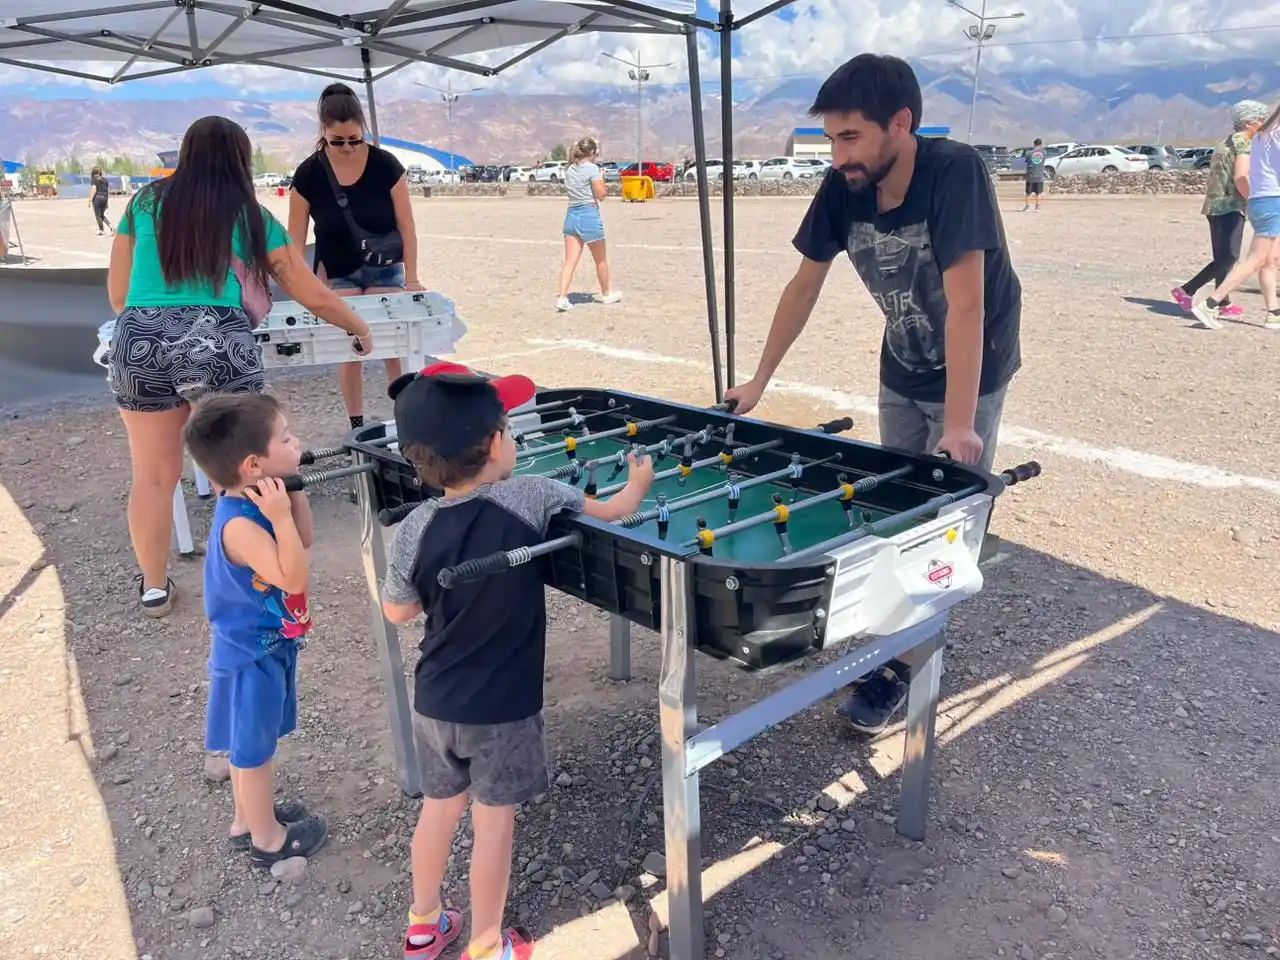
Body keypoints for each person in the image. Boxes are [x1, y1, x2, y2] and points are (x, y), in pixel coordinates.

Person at [722, 53, 1021, 734]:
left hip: (973, 365)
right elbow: (804, 286)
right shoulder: (843, 186)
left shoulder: (955, 173)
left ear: (901, 124)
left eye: (850, 137)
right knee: (896, 511)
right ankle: (901, 643)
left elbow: (968, 304)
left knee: (943, 521)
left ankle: (904, 667)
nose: (838, 155)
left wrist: (961, 421)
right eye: (830, 139)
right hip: (903, 360)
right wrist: (758, 380)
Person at [380, 361, 654, 960]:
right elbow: (613, 512)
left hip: (435, 699)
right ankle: (486, 943)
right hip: (501, 711)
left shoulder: (415, 525)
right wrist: (639, 481)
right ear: (499, 443)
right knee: (493, 827)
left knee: (439, 811)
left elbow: (397, 612)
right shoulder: (529, 495)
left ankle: (423, 925)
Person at [106, 115, 374, 618]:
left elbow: (119, 294)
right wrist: (356, 327)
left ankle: (155, 587)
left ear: (185, 155)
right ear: (241, 161)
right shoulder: (250, 215)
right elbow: (308, 289)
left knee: (153, 476)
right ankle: (263, 566)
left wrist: (157, 318)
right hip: (221, 339)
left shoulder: (143, 203)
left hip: (141, 339)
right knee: (248, 467)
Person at [183, 393, 329, 865]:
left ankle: (248, 819)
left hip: (265, 645)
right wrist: (281, 516)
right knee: (253, 750)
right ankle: (267, 838)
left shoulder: (260, 502)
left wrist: (294, 493)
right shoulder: (242, 526)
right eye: (285, 438)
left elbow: (301, 541)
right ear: (252, 465)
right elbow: (292, 576)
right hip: (251, 655)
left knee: (252, 741)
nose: (296, 442)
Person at [290, 83, 424, 429]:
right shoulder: (308, 173)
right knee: (350, 346)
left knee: (393, 344)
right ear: (324, 133)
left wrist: (412, 277)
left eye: (355, 139)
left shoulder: (386, 165)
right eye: (338, 141)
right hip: (336, 272)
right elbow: (295, 238)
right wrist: (303, 285)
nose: (348, 147)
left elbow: (407, 225)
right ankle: (357, 423)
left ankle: (405, 418)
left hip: (385, 268)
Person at [1172, 100, 1269, 323]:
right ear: (1248, 123)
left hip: (1213, 206)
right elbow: (1242, 176)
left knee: (1222, 256)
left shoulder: (1226, 142)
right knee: (1229, 258)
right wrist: (1254, 200)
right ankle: (1187, 290)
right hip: (1230, 206)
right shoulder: (1244, 141)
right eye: (1260, 120)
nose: (1263, 125)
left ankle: (1223, 302)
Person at [1192, 101, 1280, 332]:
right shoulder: (1271, 136)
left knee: (1270, 260)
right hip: (1271, 200)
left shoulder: (1259, 137)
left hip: (1263, 200)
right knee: (1255, 260)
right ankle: (1210, 303)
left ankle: (1273, 313)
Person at [556, 136, 622, 312]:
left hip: (571, 216)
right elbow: (601, 195)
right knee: (600, 260)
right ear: (592, 153)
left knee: (570, 262)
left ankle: (562, 297)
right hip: (589, 216)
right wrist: (601, 178)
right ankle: (606, 293)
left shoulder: (569, 170)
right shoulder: (593, 169)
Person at [1021, 139, 1046, 212]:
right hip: (1039, 175)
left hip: (1030, 175)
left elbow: (1027, 161)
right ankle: (1037, 207)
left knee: (1028, 192)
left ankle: (1027, 206)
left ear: (1034, 144)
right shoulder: (1044, 152)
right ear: (1041, 144)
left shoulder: (1029, 153)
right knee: (1038, 192)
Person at [89, 166, 113, 235]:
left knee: (98, 215)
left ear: (93, 172)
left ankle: (101, 230)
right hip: (105, 198)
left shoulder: (94, 179)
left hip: (97, 199)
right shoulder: (105, 180)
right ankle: (110, 226)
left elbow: (94, 189)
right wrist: (107, 202)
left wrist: (90, 200)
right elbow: (107, 191)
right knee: (101, 215)